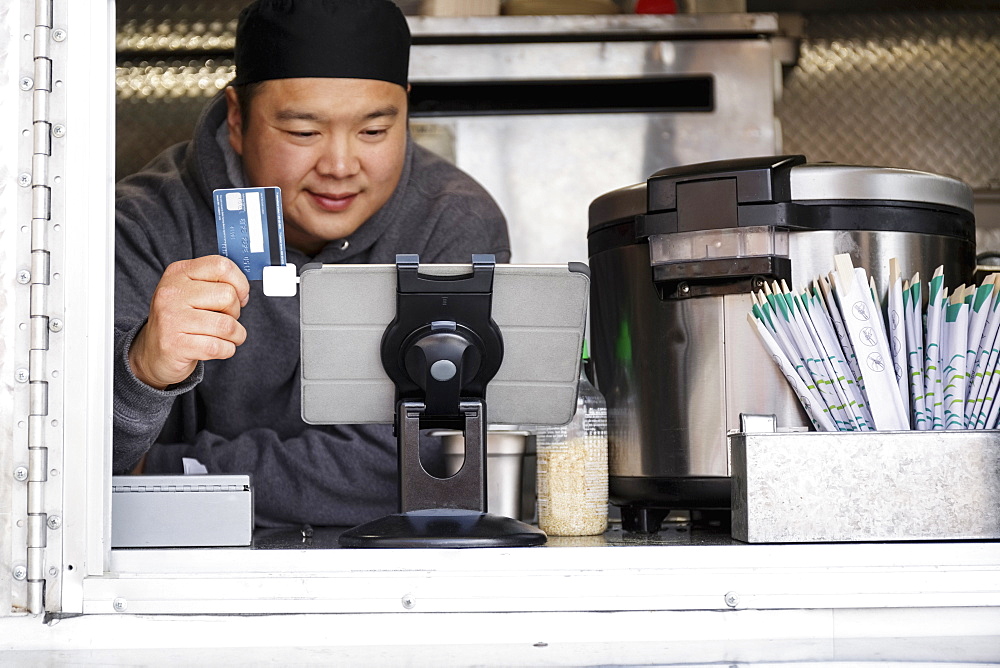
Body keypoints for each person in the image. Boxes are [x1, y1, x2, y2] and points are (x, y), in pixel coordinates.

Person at [112, 0, 510, 527]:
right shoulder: (144, 225)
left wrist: (167, 470)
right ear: (237, 118)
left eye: (373, 131)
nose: (340, 166)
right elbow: (69, 465)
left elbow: (429, 462)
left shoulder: (450, 221)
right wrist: (142, 371)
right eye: (304, 132)